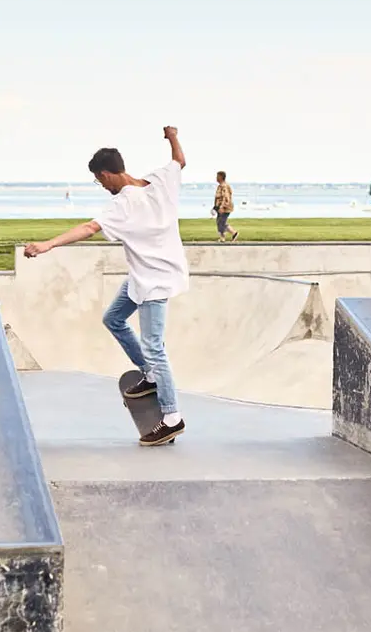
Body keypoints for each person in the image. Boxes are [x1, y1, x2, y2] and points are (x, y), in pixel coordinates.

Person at [24, 126, 188, 447]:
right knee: (113, 319)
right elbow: (179, 160)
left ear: (107, 174)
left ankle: (172, 417)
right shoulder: (161, 180)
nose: (100, 186)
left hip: (154, 282)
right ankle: (150, 375)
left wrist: (48, 244)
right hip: (145, 276)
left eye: (99, 180)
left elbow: (89, 228)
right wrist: (172, 137)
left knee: (155, 346)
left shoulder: (123, 204)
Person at [213, 171, 239, 242]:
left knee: (221, 222)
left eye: (217, 176)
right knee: (220, 222)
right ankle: (222, 237)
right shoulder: (220, 186)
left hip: (225, 208)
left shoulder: (224, 186)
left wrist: (222, 207)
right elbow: (218, 198)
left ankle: (234, 233)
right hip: (220, 207)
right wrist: (215, 207)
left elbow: (226, 198)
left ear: (221, 177)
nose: (216, 178)